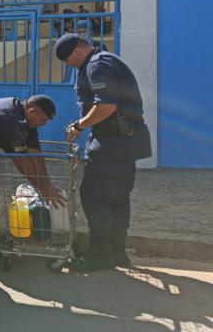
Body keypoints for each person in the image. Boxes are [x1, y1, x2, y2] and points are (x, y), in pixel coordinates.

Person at [55, 34, 151, 271]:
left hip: (112, 144)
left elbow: (106, 106)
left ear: (77, 50)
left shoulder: (97, 64)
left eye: (68, 59)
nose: (69, 65)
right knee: (117, 197)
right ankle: (117, 251)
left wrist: (79, 125)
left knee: (95, 195)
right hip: (123, 142)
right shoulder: (105, 60)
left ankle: (99, 254)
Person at [0, 96, 66, 259]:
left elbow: (35, 153)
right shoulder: (10, 120)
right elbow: (21, 160)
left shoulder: (24, 118)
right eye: (42, 119)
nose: (43, 124)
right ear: (32, 111)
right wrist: (43, 188)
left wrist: (46, 184)